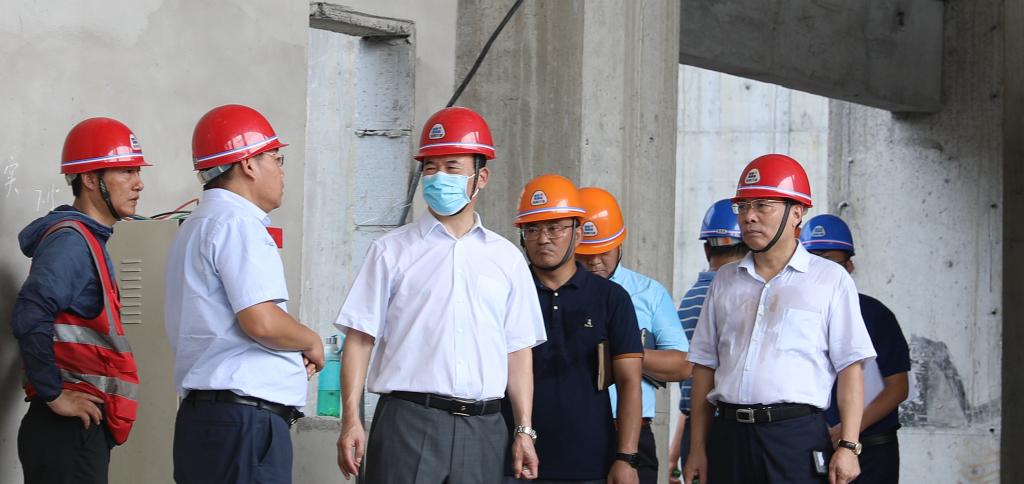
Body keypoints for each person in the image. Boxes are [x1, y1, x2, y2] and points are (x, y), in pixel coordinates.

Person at [335, 106, 546, 483]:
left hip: (484, 430)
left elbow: (517, 351)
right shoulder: (390, 251)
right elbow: (360, 338)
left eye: (452, 167)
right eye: (430, 168)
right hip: (408, 424)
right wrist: (350, 419)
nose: (438, 178)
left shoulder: (507, 259)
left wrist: (524, 429)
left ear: (481, 177)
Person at [683, 154, 876, 484]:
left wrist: (848, 446)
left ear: (796, 213)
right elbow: (704, 368)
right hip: (728, 436)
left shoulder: (830, 280)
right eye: (742, 207)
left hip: (794, 439)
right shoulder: (725, 280)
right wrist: (697, 448)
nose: (749, 217)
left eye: (762, 205)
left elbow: (850, 369)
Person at [165, 104, 324, 483]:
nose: (281, 171)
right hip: (244, 424)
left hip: (206, 421)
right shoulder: (238, 223)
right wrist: (310, 340)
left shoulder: (195, 225)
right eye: (276, 159)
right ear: (249, 164)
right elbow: (261, 321)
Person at [11, 117, 148, 483]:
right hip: (66, 432)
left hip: (75, 431)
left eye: (138, 171)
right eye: (126, 171)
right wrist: (54, 394)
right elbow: (29, 313)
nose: (139, 183)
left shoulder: (87, 240)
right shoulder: (72, 242)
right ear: (89, 179)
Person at [507, 174, 643, 484]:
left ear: (578, 233)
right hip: (514, 462)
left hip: (591, 463)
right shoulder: (509, 292)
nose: (543, 239)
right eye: (532, 229)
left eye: (554, 228)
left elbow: (629, 381)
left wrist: (626, 458)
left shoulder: (611, 298)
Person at [573, 186, 689, 484]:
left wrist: (624, 353)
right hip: (570, 430)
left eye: (604, 252)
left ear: (619, 244)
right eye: (585, 255)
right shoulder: (555, 295)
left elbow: (683, 364)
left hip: (633, 435)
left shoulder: (649, 293)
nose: (594, 262)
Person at [801, 214, 911, 483]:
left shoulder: (875, 314)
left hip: (871, 447)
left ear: (849, 265)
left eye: (831, 262)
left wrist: (846, 432)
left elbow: (898, 387)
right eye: (814, 262)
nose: (823, 271)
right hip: (811, 446)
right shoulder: (795, 316)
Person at [667, 198, 748, 484]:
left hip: (696, 431)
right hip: (728, 427)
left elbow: (692, 384)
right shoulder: (738, 295)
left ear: (706, 249)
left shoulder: (689, 299)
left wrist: (676, 450)